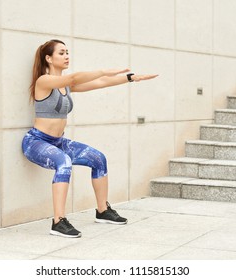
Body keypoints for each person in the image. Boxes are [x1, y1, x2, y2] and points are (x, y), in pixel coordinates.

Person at [22, 39, 158, 238]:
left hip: (58, 142)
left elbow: (100, 83)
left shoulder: (66, 86)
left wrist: (131, 78)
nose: (67, 56)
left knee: (98, 158)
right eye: (61, 53)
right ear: (48, 58)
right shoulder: (44, 81)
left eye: (67, 52)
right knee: (64, 163)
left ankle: (103, 211)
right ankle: (58, 222)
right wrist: (104, 70)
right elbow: (76, 78)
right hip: (37, 142)